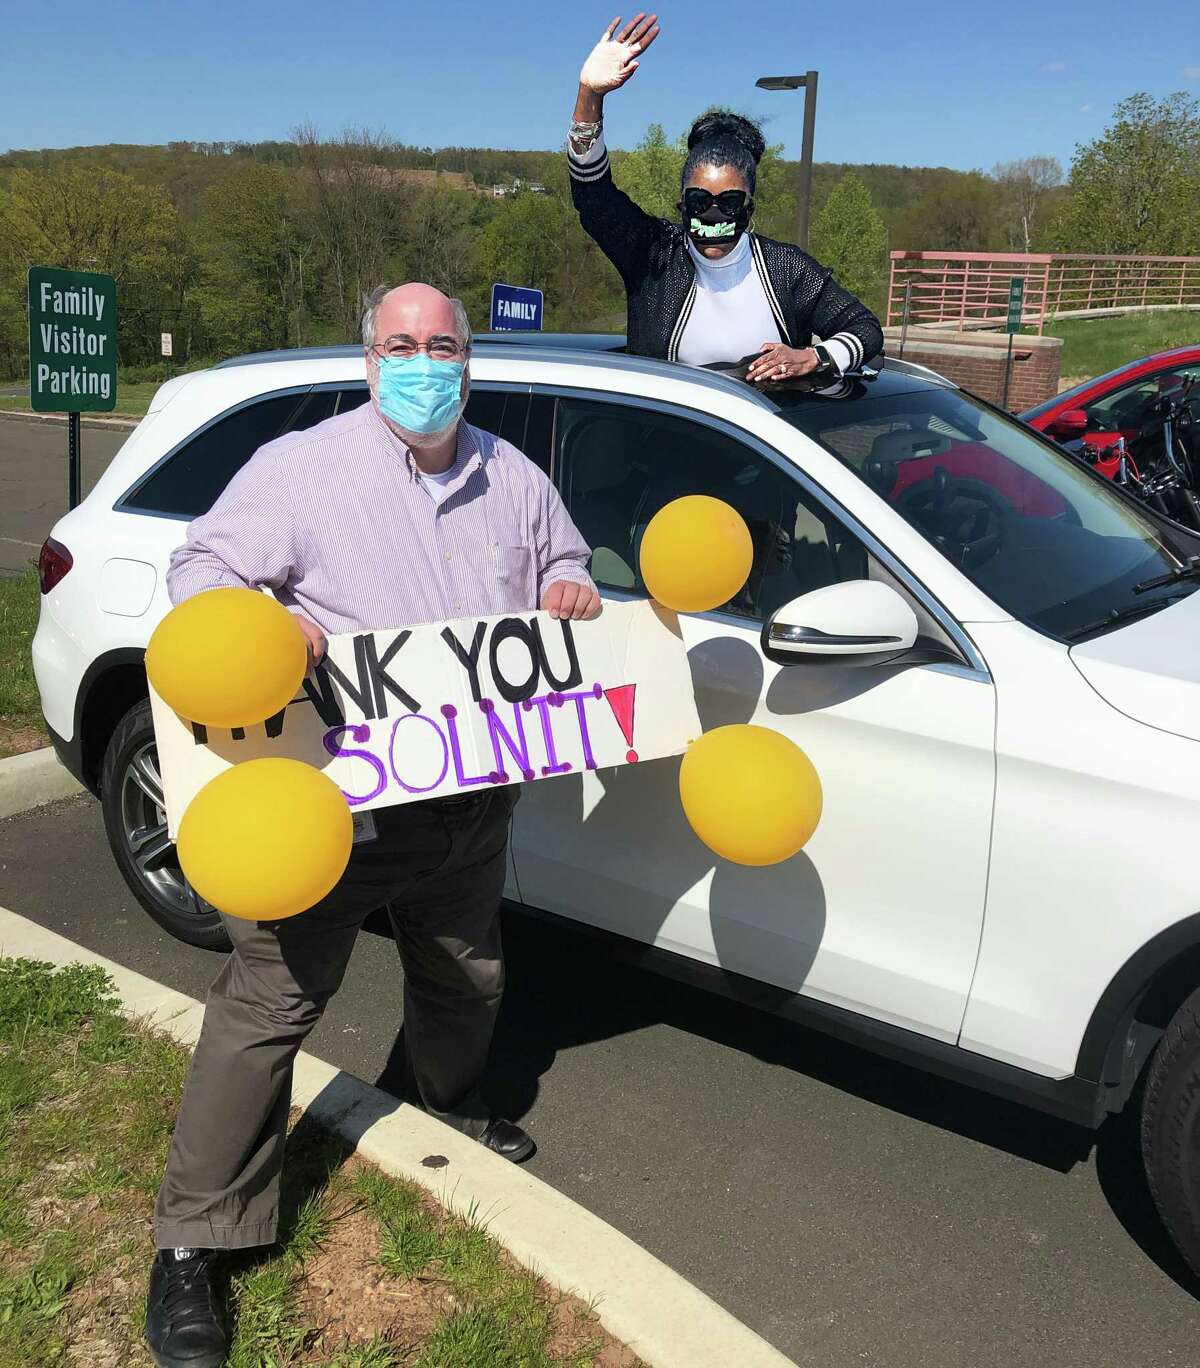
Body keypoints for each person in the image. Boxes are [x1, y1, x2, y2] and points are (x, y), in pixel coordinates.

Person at [145, 282, 601, 1368]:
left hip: (470, 793)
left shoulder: (514, 474)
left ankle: (448, 1106)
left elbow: (565, 559)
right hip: (333, 801)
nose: (424, 361)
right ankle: (193, 1244)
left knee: (465, 968)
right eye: (402, 345)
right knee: (271, 1004)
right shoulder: (302, 468)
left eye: (443, 344)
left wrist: (573, 585)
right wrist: (267, 616)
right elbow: (197, 571)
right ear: (369, 361)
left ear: (468, 359)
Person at [567, 15, 884, 385]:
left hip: (756, 441)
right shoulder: (653, 255)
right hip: (657, 440)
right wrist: (589, 95)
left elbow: (864, 329)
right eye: (699, 200)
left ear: (750, 205)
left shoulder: (785, 269)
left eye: (730, 202)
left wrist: (815, 358)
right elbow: (593, 198)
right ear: (681, 202)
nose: (714, 213)